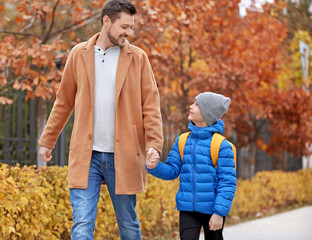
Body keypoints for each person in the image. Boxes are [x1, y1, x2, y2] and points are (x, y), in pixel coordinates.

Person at [38, 0, 163, 239]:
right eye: (124, 26)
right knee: (82, 224)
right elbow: (63, 101)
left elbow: (151, 105)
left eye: (131, 27)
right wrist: (48, 140)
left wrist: (154, 145)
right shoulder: (79, 54)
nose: (129, 32)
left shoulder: (138, 58)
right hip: (87, 155)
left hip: (124, 155)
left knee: (128, 225)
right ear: (107, 21)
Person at [146, 92, 236, 240]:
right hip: (187, 209)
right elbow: (171, 171)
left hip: (213, 209)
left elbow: (227, 182)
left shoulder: (222, 145)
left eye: (197, 104)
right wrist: (153, 166)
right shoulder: (182, 141)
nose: (191, 106)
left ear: (208, 113)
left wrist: (219, 213)